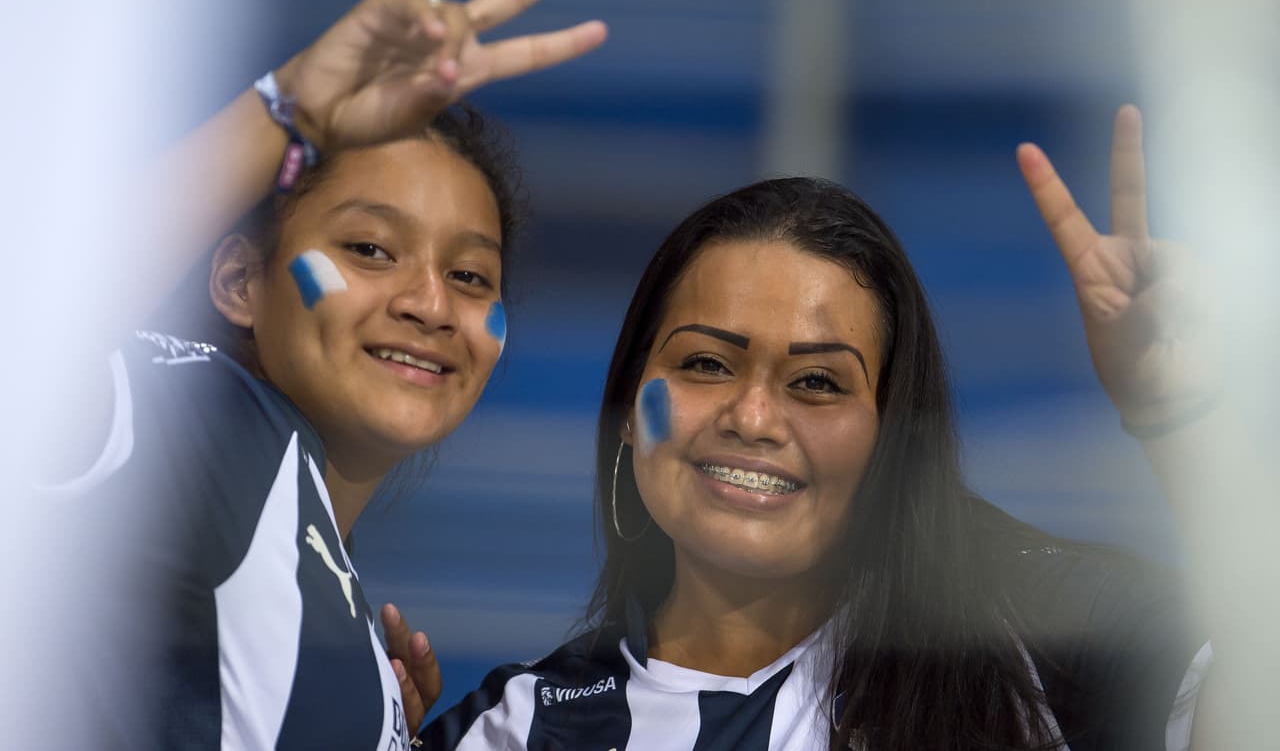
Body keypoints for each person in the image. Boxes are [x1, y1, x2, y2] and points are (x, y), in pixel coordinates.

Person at [415, 108, 1235, 750]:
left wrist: (1186, 420)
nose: (754, 416)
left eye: (817, 381)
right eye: (706, 363)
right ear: (629, 410)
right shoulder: (520, 729)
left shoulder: (1043, 642)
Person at [47, 0, 606, 749]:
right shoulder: (211, 427)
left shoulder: (343, 618)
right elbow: (32, 328)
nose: (431, 303)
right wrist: (288, 109)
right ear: (242, 283)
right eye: (371, 250)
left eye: (472, 276)